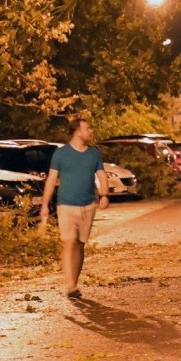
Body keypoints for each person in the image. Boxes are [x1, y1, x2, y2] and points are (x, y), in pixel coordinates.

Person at [39, 116, 109, 298]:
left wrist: (104, 195)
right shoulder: (61, 154)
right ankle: (69, 285)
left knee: (79, 244)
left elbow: (102, 175)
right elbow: (52, 179)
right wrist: (45, 204)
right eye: (87, 128)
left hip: (88, 205)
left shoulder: (93, 153)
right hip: (66, 205)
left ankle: (74, 284)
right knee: (68, 242)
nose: (90, 131)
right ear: (78, 131)